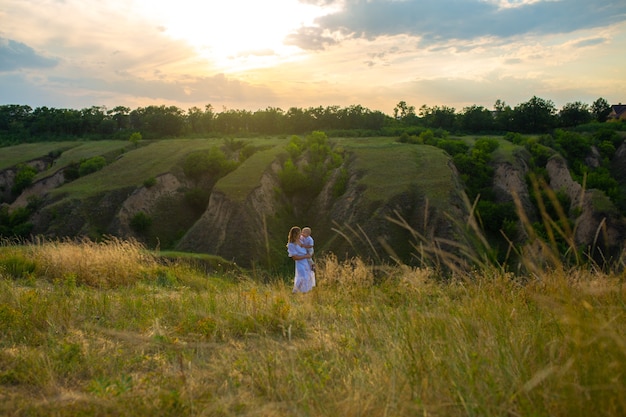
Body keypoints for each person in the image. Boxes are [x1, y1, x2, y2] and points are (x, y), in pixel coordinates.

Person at [287, 226, 313, 293]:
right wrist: (305, 256)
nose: (301, 234)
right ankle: (295, 292)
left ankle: (305, 293)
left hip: (306, 261)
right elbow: (294, 257)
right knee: (302, 277)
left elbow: (309, 246)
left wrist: (309, 255)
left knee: (308, 276)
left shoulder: (301, 240)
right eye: (299, 233)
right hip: (300, 262)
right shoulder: (291, 245)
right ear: (295, 234)